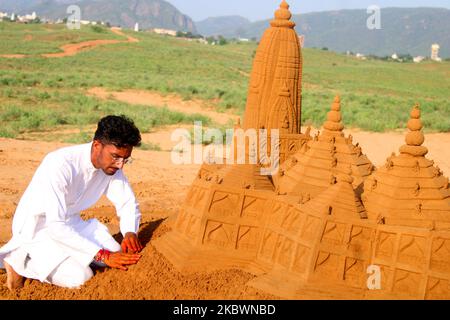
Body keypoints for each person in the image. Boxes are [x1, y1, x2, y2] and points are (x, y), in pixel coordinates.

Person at [0, 115, 144, 290]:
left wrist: (130, 232)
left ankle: (69, 258)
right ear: (97, 145)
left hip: (71, 223)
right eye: (115, 157)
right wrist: (102, 256)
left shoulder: (112, 166)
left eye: (125, 159)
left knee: (117, 254)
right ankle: (18, 262)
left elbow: (127, 202)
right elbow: (56, 226)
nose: (120, 165)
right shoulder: (60, 164)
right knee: (81, 277)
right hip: (37, 228)